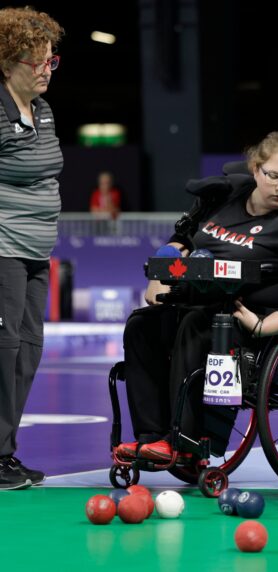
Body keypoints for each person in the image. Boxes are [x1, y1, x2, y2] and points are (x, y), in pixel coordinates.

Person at [117, 131, 278, 461]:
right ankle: (152, 436)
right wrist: (160, 274)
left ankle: (185, 443)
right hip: (197, 298)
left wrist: (264, 325)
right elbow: (183, 238)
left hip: (250, 321)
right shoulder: (226, 196)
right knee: (142, 326)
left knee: (197, 325)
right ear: (255, 168)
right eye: (273, 176)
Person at [0, 7, 64, 490]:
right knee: (5, 352)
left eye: (51, 60)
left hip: (37, 251)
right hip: (2, 248)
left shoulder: (42, 111)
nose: (47, 68)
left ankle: (5, 454)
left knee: (28, 352)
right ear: (7, 63)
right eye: (37, 61)